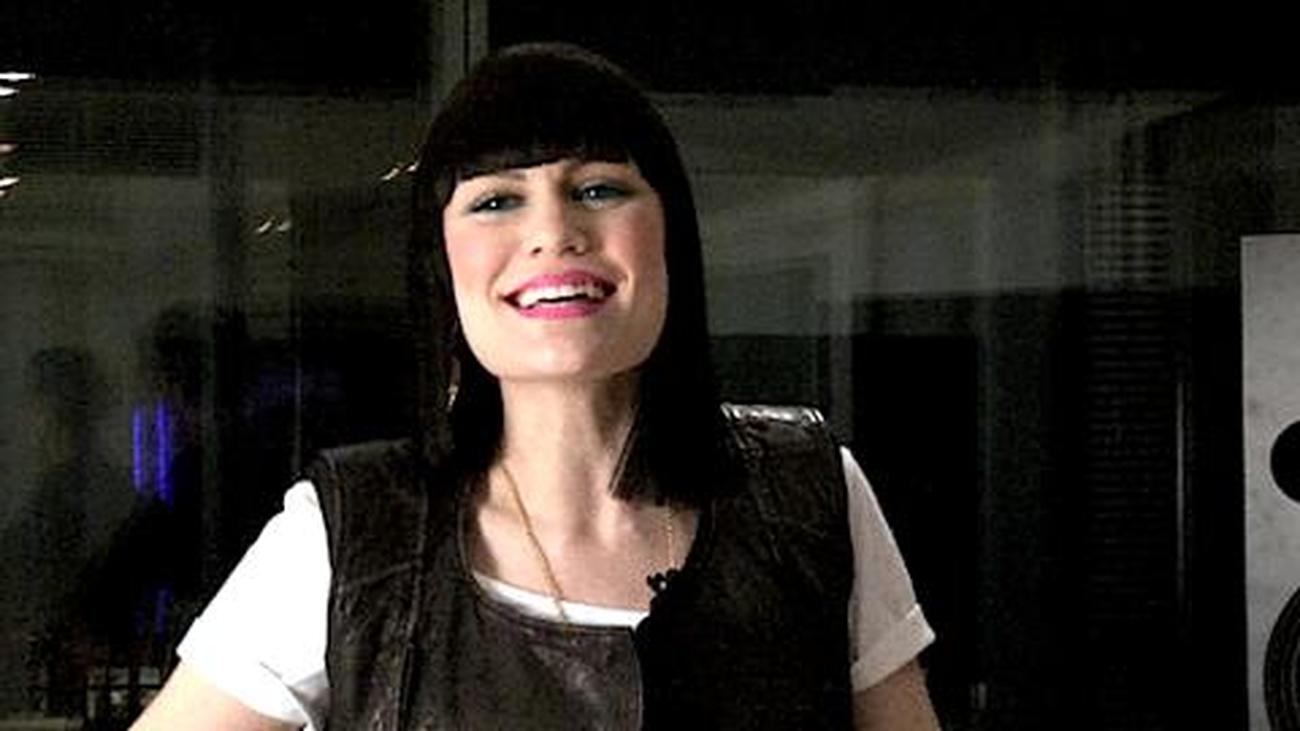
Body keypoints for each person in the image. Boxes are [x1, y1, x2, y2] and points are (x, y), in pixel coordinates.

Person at [132, 43, 940, 729]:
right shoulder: (349, 536)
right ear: (440, 265)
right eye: (496, 201)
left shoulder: (810, 491)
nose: (554, 232)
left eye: (599, 188)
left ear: (670, 234)